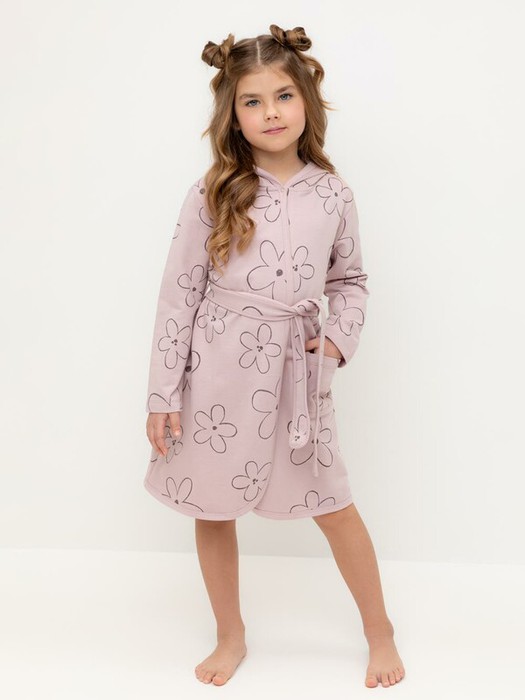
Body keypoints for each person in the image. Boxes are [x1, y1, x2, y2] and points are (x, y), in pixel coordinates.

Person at [144, 23, 405, 689]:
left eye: (283, 96)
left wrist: (337, 341)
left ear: (306, 101)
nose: (270, 113)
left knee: (333, 504)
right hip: (216, 375)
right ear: (232, 114)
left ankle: (379, 632)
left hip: (296, 378)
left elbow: (350, 280)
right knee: (212, 507)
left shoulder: (332, 193)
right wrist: (163, 393)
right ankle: (229, 635)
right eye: (252, 102)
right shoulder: (213, 190)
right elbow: (178, 295)